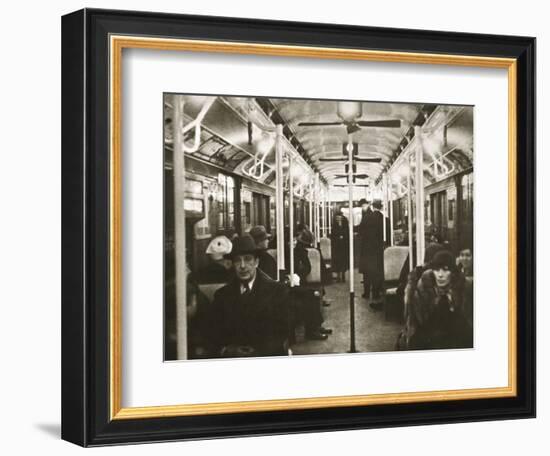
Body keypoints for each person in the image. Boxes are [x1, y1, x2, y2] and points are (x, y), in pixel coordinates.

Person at [206, 234, 290, 358]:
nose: (243, 266)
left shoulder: (277, 291)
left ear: (256, 262)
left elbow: (283, 331)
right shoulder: (222, 295)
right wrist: (228, 350)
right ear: (233, 264)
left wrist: (259, 351)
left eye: (248, 259)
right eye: (237, 260)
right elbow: (214, 331)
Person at [400, 250, 473, 350]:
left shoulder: (462, 290)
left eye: (445, 270)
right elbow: (416, 326)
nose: (440, 275)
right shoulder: (423, 290)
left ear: (452, 272)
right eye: (437, 270)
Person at [290, 230, 330, 341]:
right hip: (288, 284)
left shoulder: (296, 250)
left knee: (312, 294)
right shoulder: (297, 251)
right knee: (311, 295)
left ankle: (315, 327)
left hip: (293, 280)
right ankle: (311, 331)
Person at [358, 199, 384, 309]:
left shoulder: (367, 218)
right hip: (378, 249)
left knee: (367, 272)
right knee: (376, 271)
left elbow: (360, 231)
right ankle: (376, 293)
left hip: (367, 249)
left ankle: (366, 292)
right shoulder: (383, 219)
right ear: (381, 207)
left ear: (372, 206)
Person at [330, 212, 349, 282]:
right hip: (336, 245)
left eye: (339, 218)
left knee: (343, 260)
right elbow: (333, 233)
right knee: (337, 261)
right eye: (337, 218)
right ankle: (338, 276)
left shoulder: (345, 222)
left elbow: (347, 231)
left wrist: (342, 236)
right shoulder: (334, 224)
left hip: (343, 245)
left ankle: (343, 274)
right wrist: (338, 236)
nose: (338, 219)